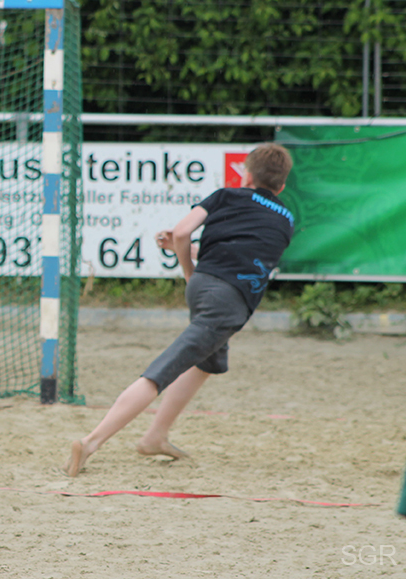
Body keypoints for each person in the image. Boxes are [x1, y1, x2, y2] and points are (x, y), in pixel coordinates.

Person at [66, 143, 294, 477]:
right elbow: (246, 256)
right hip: (228, 302)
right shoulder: (286, 219)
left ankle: (155, 437)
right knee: (160, 373)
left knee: (208, 361)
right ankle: (90, 443)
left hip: (204, 288)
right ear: (282, 186)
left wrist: (189, 268)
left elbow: (183, 233)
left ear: (246, 176)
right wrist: (191, 267)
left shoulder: (225, 195)